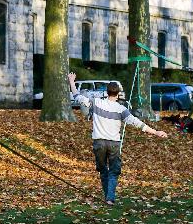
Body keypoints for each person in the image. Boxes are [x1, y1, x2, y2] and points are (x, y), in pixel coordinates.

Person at [69, 72, 168, 205]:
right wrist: (156, 132)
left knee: (103, 170)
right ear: (118, 94)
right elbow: (137, 123)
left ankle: (107, 197)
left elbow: (77, 97)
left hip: (98, 142)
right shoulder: (121, 109)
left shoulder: (96, 102)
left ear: (106, 92)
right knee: (114, 171)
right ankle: (109, 198)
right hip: (114, 144)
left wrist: (71, 81)